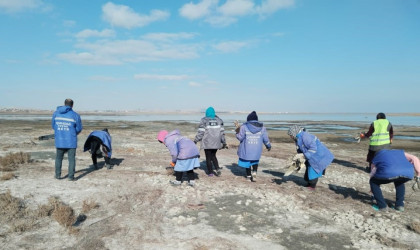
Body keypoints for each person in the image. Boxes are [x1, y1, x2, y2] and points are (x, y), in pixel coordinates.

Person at [287, 125, 334, 190]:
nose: (290, 136)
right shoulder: (298, 138)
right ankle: (309, 184)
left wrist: (304, 155)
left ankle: (312, 186)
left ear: (295, 133)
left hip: (318, 156)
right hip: (311, 156)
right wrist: (299, 158)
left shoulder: (305, 137)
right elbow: (300, 149)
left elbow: (313, 148)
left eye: (291, 135)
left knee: (313, 172)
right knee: (309, 172)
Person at [52, 98, 82, 181]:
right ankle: (70, 177)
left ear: (64, 104)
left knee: (58, 158)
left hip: (60, 140)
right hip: (71, 141)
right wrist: (71, 132)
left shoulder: (56, 113)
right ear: (72, 105)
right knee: (71, 159)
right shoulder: (75, 115)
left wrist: (60, 132)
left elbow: (54, 126)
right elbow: (79, 128)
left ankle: (57, 175)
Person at [236, 111, 271, 182]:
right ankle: (254, 173)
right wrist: (268, 145)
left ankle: (249, 176)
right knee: (255, 161)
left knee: (247, 162)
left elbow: (240, 138)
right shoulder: (262, 127)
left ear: (248, 119)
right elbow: (265, 138)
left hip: (247, 149)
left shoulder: (244, 127)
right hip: (257, 149)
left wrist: (237, 132)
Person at [194, 107, 227, 177]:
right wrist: (224, 142)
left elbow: (201, 132)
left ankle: (210, 172)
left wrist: (196, 140)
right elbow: (222, 133)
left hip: (207, 142)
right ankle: (217, 168)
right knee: (213, 155)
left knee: (208, 157)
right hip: (216, 142)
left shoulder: (204, 120)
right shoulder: (219, 120)